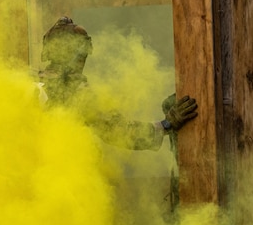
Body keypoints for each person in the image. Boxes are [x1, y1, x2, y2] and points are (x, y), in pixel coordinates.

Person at [37, 16, 197, 150]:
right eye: (83, 53)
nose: (84, 59)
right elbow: (119, 132)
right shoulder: (75, 90)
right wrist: (167, 124)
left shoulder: (27, 83)